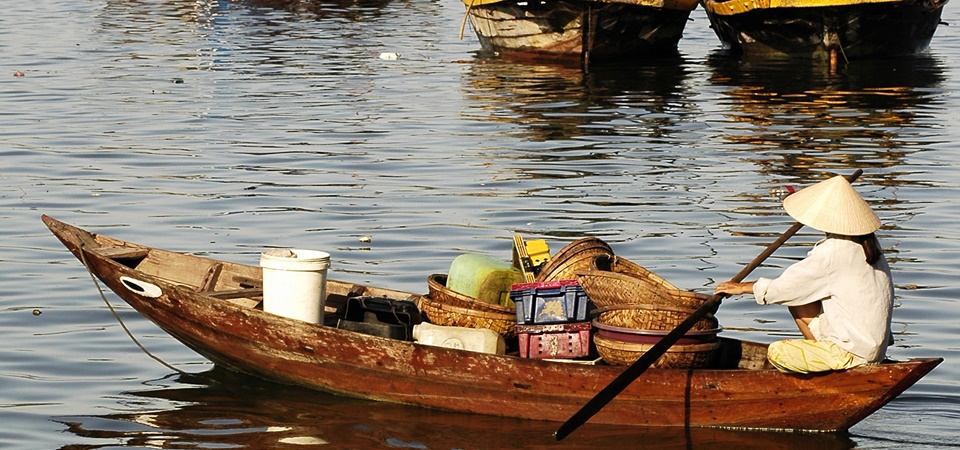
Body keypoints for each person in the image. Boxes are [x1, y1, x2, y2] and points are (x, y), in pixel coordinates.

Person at [715, 175, 894, 373]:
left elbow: (786, 287)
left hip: (853, 352)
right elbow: (796, 289)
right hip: (871, 348)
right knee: (798, 301)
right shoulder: (870, 246)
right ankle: (825, 358)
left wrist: (742, 288)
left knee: (777, 352)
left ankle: (834, 368)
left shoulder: (833, 251)